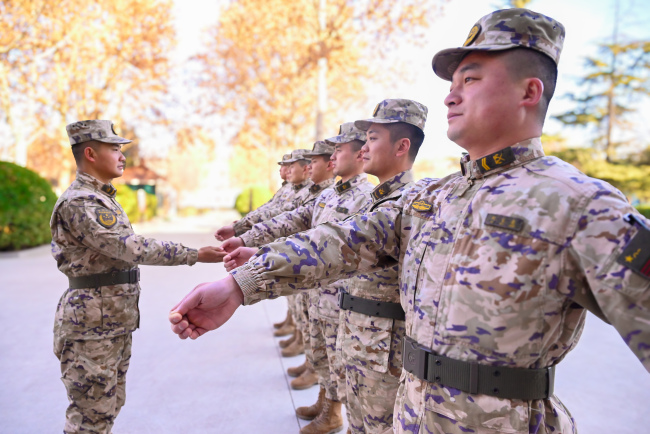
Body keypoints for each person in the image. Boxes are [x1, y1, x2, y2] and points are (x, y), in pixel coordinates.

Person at [170, 7, 650, 434]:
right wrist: (240, 284)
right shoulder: (434, 198)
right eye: (452, 84)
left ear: (530, 91)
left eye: (471, 79)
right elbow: (341, 240)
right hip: (408, 415)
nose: (450, 97)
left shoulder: (580, 205)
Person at [227, 100, 431, 434]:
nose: (364, 148)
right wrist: (252, 248)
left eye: (372, 139)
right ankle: (337, 413)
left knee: (381, 422)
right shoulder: (369, 197)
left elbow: (336, 244)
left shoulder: (412, 200)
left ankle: (334, 412)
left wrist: (249, 277)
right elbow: (314, 231)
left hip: (384, 339)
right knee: (357, 410)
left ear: (402, 146)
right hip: (352, 323)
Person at [52, 120, 225, 434]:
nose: (122, 156)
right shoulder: (81, 202)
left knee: (107, 408)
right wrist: (194, 254)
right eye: (115, 148)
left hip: (110, 322)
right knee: (89, 419)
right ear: (90, 153)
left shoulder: (102, 197)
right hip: (90, 327)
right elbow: (129, 247)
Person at [224, 125, 374, 433]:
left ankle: (333, 412)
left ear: (360, 153)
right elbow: (293, 220)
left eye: (338, 151)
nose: (332, 158)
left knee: (337, 356)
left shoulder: (366, 197)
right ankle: (325, 401)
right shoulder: (331, 194)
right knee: (320, 348)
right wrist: (245, 236)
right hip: (316, 288)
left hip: (340, 294)